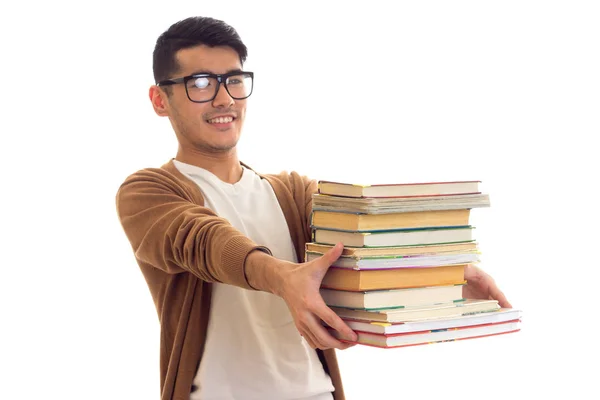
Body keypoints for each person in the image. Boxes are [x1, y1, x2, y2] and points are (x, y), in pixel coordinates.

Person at [115, 16, 512, 400]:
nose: (224, 98)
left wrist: (446, 273)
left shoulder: (293, 191)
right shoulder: (148, 192)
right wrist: (282, 277)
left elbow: (364, 240)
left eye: (233, 80)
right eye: (200, 82)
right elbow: (203, 241)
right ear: (159, 99)